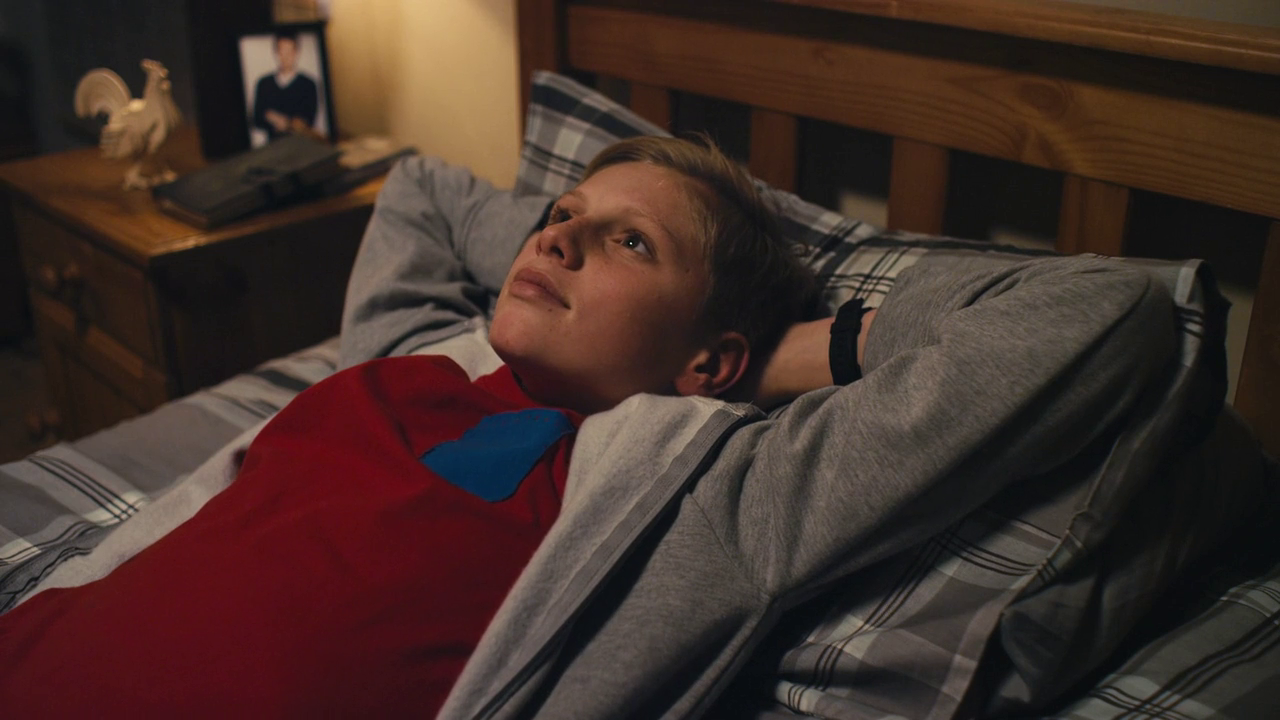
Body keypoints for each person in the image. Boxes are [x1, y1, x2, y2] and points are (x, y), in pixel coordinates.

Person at [0, 136, 1177, 718]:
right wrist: (597, 229)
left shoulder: (704, 496)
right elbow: (421, 192)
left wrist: (776, 359)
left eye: (629, 243)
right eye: (560, 215)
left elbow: (1104, 313)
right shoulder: (410, 356)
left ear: (710, 360)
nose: (554, 236)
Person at [250, 30, 319, 143]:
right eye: (282, 51)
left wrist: (279, 120)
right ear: (276, 53)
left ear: (296, 52)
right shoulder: (264, 83)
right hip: (273, 146)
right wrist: (288, 122)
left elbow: (308, 120)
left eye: (289, 52)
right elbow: (256, 119)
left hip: (300, 145)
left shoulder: (309, 84)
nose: (286, 57)